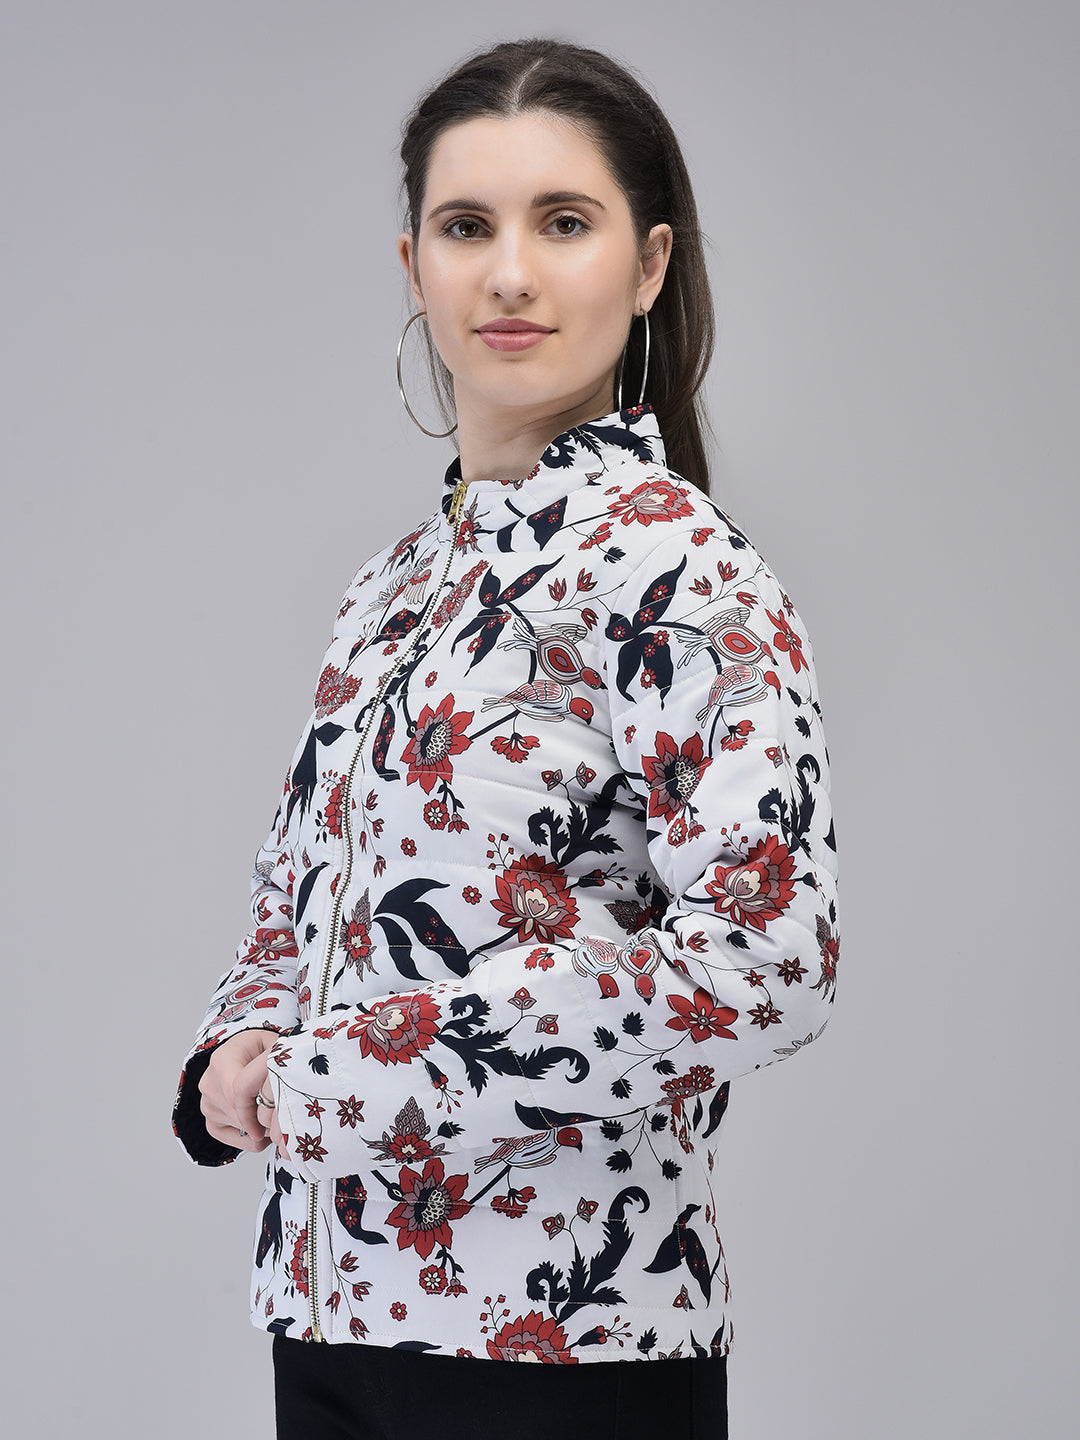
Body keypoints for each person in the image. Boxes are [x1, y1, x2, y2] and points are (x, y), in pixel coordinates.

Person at [173, 36, 839, 1440]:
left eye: (565, 223)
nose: (511, 274)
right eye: (467, 227)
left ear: (649, 267)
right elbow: (297, 894)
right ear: (413, 265)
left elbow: (767, 959)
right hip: (332, 1314)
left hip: (566, 1339)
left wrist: (348, 1076)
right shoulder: (391, 586)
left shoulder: (680, 572)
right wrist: (236, 1047)